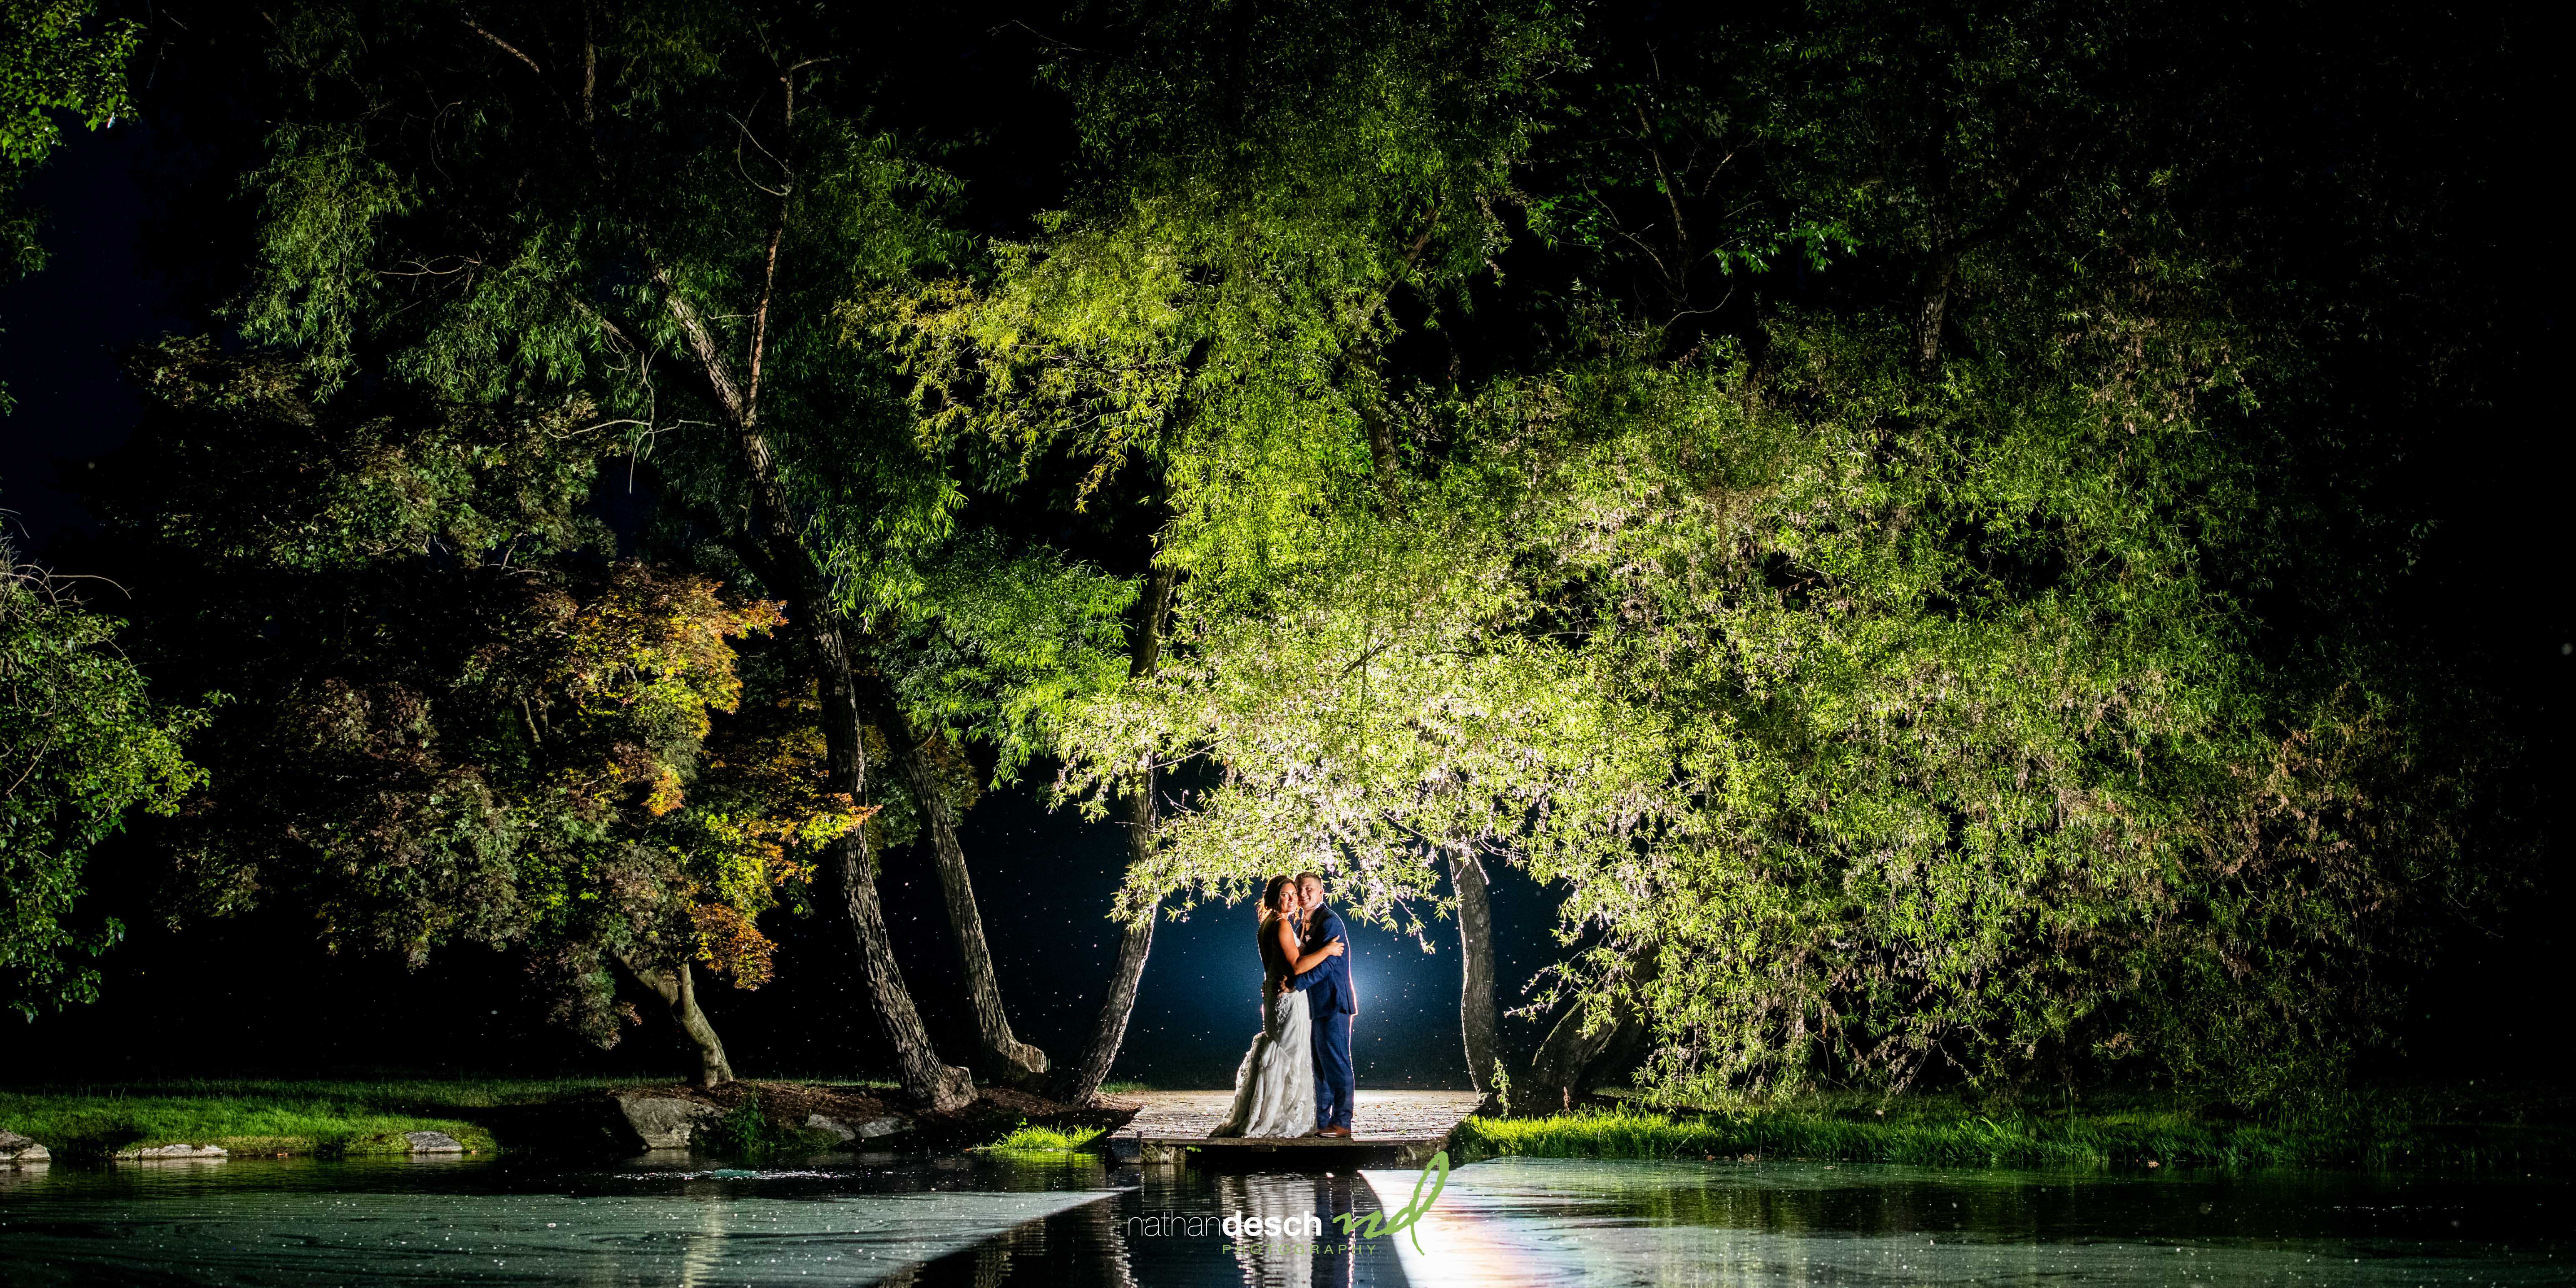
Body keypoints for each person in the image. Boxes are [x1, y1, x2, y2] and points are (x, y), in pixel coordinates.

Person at [1208, 875, 1345, 1138]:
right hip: (1288, 999)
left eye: (1295, 894)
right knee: (1290, 1055)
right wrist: (1327, 951)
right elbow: (1297, 967)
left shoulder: (1268, 923)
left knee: (1281, 1049)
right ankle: (1276, 1117)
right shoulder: (1281, 925)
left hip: (1275, 995)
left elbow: (1285, 957)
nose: (1293, 898)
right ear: (1274, 897)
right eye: (1286, 894)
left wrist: (1305, 946)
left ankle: (1265, 1111)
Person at [1287, 871, 1358, 1138]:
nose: (1303, 894)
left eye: (1308, 890)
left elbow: (1330, 963)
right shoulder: (1303, 924)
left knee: (1337, 1063)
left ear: (1320, 893)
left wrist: (1297, 984)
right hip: (1317, 1004)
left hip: (1333, 1000)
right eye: (1299, 889)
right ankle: (1321, 1121)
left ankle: (1343, 1123)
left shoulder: (1330, 921)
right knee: (1320, 1066)